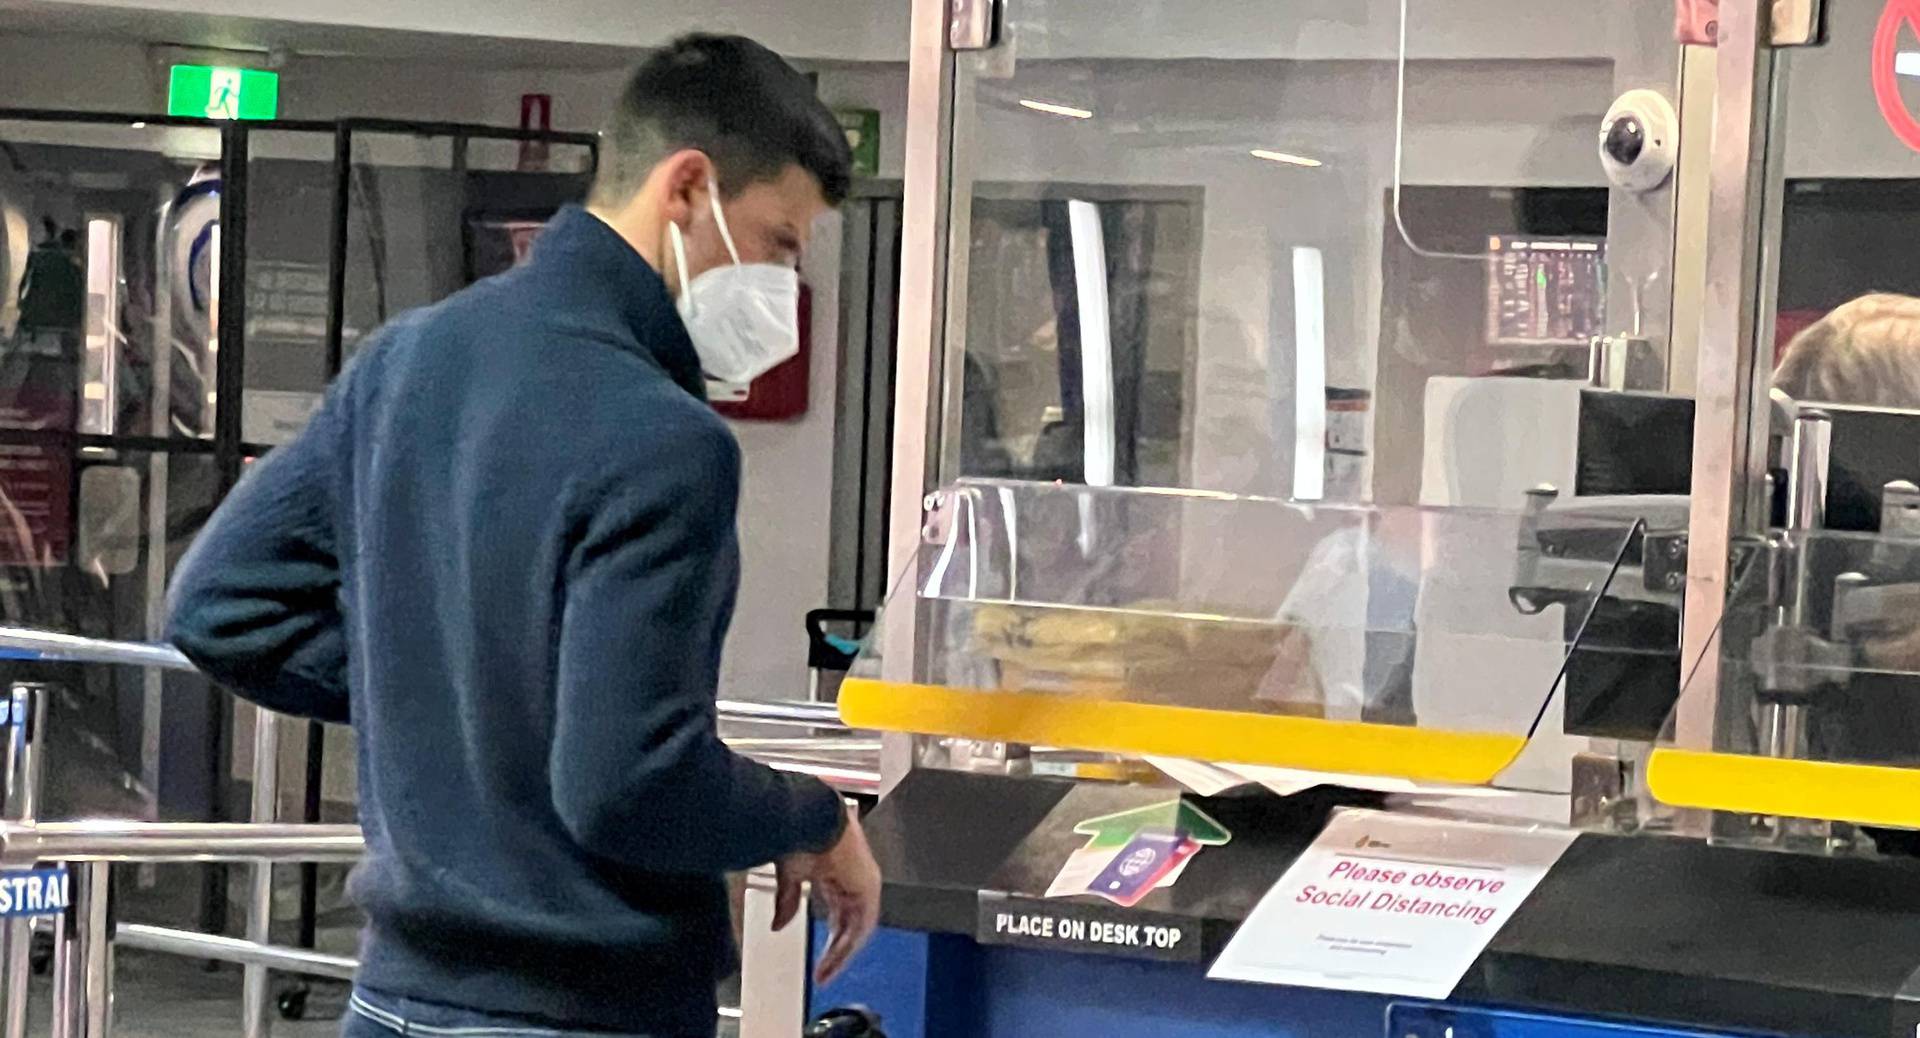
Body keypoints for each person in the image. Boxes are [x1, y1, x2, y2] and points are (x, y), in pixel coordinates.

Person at [166, 34, 881, 1037]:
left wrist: (463, 701)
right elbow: (628, 783)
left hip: (391, 1000)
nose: (783, 288)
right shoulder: (664, 438)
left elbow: (220, 609)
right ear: (687, 187)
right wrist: (811, 814)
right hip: (578, 1011)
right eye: (779, 241)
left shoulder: (408, 359)